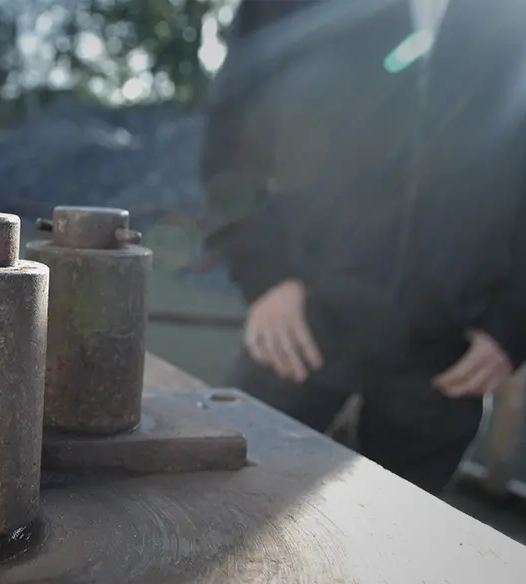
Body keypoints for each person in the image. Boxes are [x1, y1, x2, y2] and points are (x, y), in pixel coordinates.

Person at [201, 0, 526, 494]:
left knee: (400, 536)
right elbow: (229, 133)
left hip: (450, 349)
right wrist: (262, 274)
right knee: (220, 502)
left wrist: (513, 322)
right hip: (301, 319)